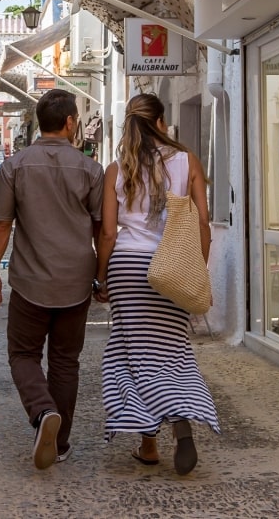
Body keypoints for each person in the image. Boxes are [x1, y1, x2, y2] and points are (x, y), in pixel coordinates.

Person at [95, 93, 220, 476]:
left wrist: (101, 276)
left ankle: (149, 443)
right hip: (171, 265)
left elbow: (108, 232)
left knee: (131, 352)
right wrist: (196, 268)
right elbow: (202, 223)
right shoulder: (187, 161)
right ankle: (178, 426)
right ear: (162, 123)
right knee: (172, 350)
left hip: (128, 268)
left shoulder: (117, 169)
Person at [0, 89, 104, 470]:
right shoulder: (91, 169)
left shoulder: (14, 166)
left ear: (40, 123)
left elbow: (1, 224)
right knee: (66, 362)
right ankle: (61, 441)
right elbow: (103, 230)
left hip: (30, 283)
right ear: (70, 123)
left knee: (23, 354)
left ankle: (41, 412)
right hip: (75, 283)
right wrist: (101, 277)